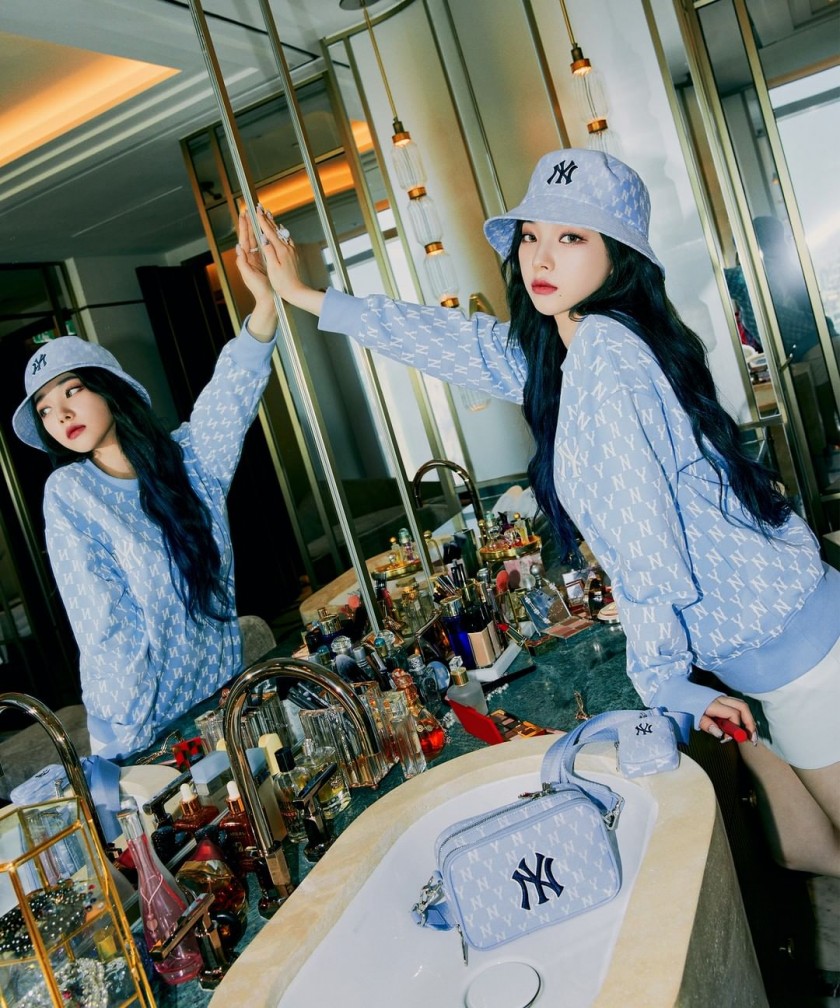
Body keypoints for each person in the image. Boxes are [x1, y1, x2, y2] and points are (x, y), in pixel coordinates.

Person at [255, 149, 840, 876]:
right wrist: (306, 296)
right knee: (796, 840)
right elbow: (461, 343)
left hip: (792, 643)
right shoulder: (573, 344)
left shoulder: (604, 351)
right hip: (758, 635)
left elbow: (641, 529)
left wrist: (660, 675)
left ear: (618, 254)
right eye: (532, 235)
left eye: (572, 237)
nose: (541, 255)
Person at [12, 211, 286, 760]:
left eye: (71, 391)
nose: (59, 414)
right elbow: (104, 629)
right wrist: (128, 751)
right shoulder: (70, 494)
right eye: (44, 410)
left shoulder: (189, 460)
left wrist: (266, 301)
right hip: (148, 734)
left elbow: (233, 390)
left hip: (227, 705)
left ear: (108, 390)